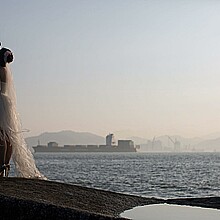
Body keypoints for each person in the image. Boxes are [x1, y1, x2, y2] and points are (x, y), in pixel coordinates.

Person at [0, 44, 45, 179]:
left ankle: (1, 167)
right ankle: (5, 165)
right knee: (8, 136)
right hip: (5, 102)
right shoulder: (4, 70)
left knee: (2, 136)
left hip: (0, 102)